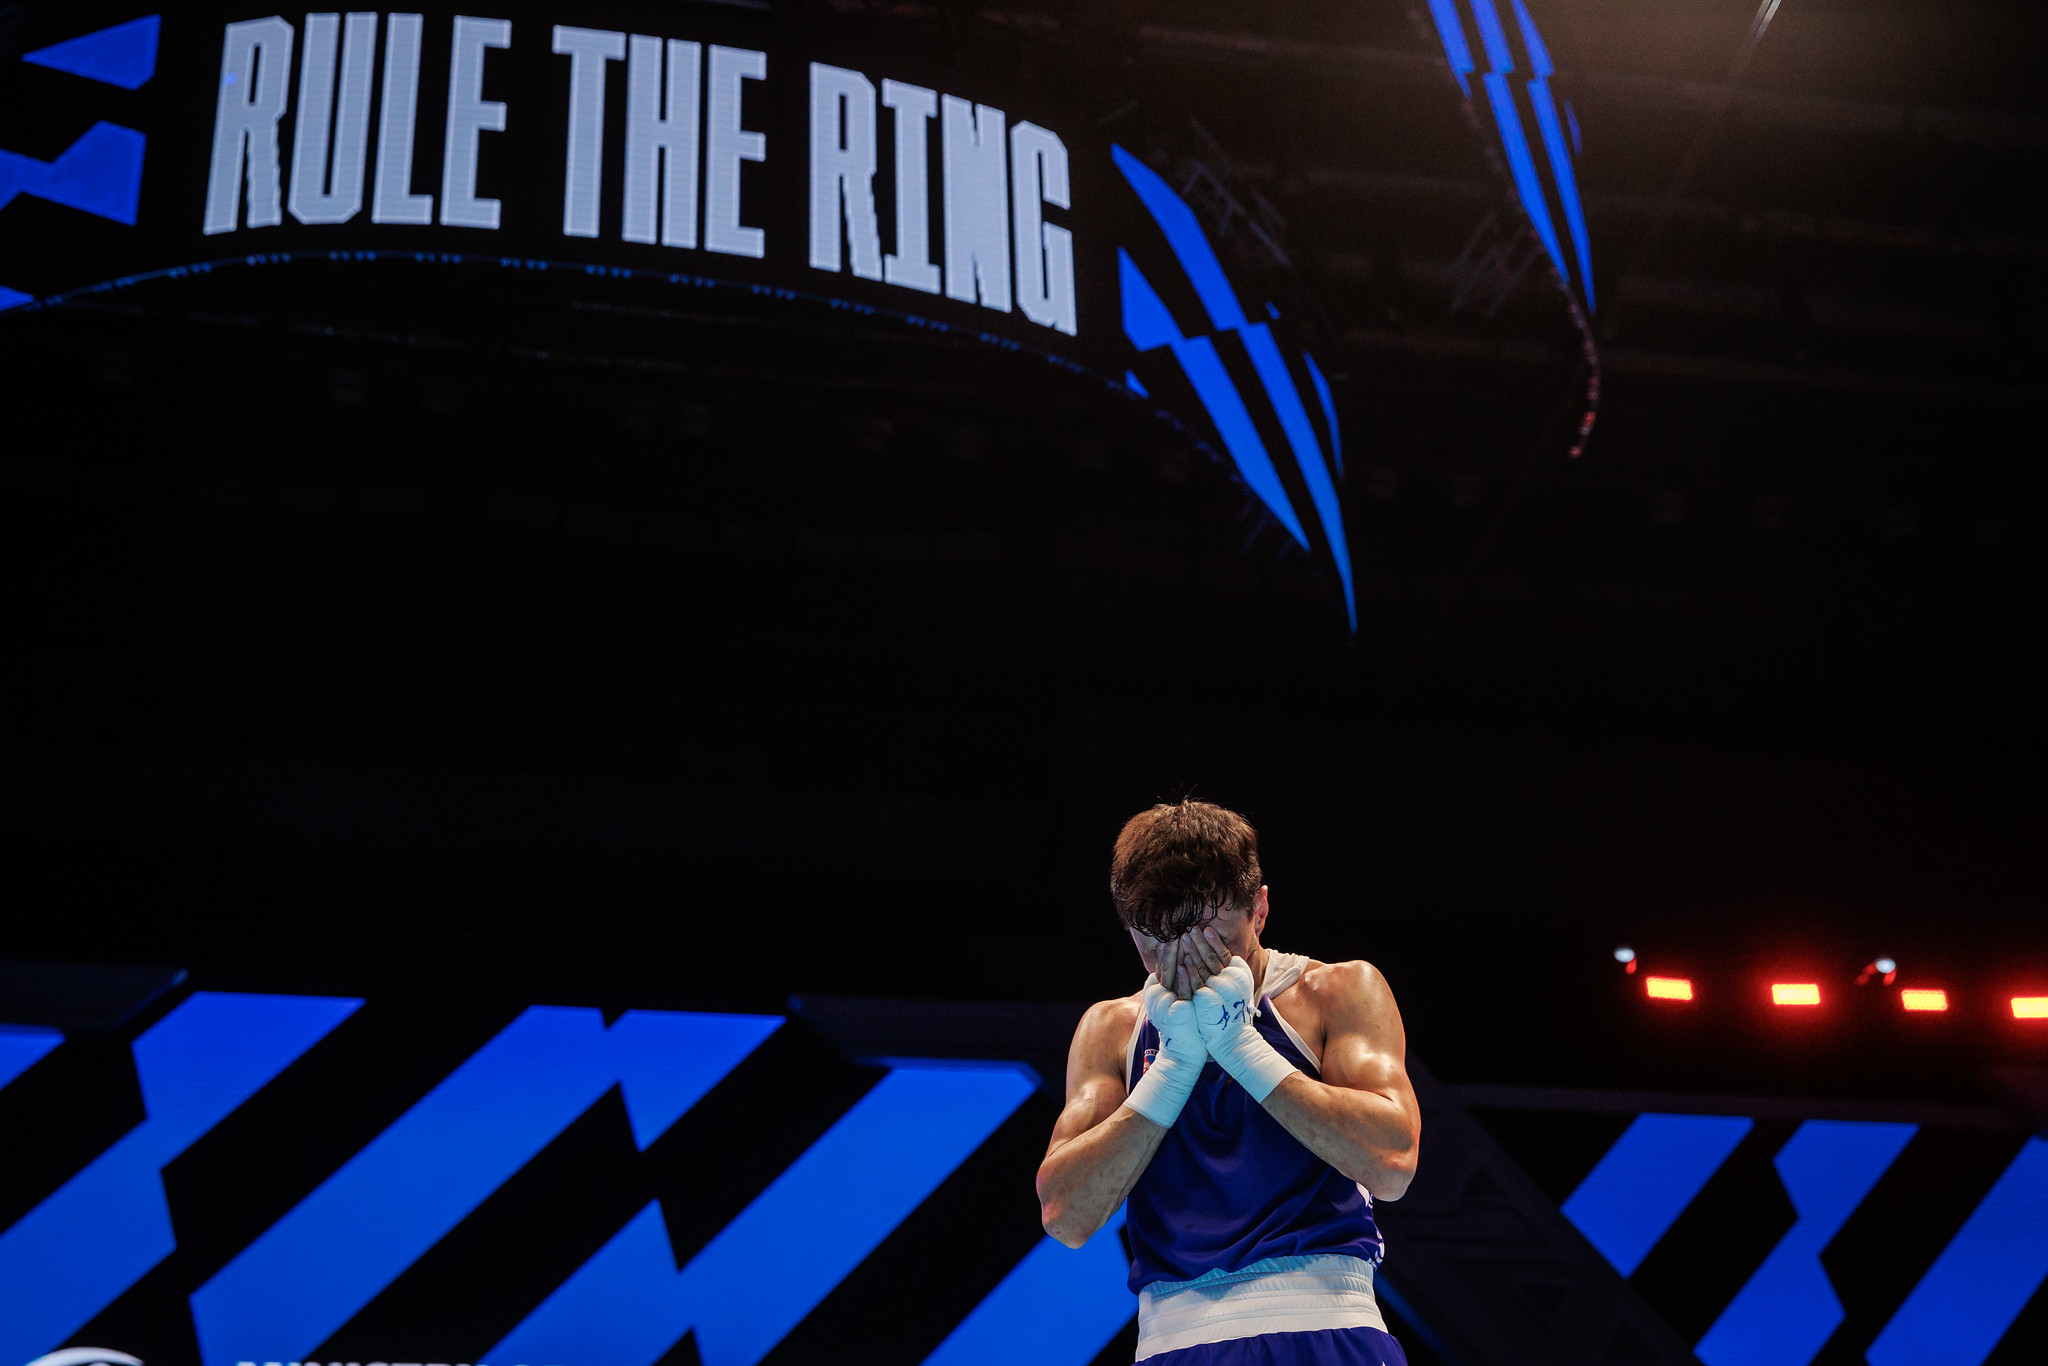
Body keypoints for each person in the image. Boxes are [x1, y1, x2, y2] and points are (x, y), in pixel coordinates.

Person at [1036, 799, 1422, 1365]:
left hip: (1325, 1326)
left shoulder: (1333, 993)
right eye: (1158, 944)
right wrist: (1170, 1071)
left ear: (1258, 910)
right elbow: (1064, 1216)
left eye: (1208, 938)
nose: (1185, 962)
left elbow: (1393, 1164)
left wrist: (1243, 1049)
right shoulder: (1113, 1029)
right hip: (1175, 1342)